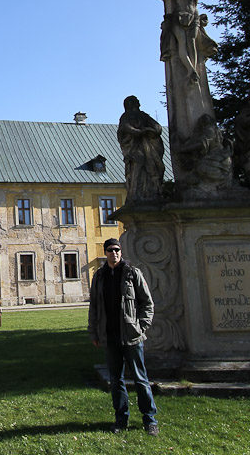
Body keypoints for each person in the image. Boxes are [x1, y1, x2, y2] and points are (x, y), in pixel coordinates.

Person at [88, 238, 159, 436]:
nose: (114, 253)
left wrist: (140, 327)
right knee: (116, 380)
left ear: (121, 252)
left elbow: (148, 304)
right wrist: (94, 332)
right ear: (106, 253)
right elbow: (94, 307)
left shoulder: (132, 273)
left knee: (140, 378)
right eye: (110, 250)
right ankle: (121, 418)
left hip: (131, 337)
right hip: (110, 337)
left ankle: (150, 419)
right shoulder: (99, 277)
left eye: (117, 250)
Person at [117, 95, 165, 202]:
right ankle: (134, 192)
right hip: (134, 148)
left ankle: (152, 191)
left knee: (153, 167)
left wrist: (152, 130)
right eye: (136, 101)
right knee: (138, 163)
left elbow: (157, 127)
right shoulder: (126, 116)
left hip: (147, 147)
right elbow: (125, 128)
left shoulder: (143, 116)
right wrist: (139, 132)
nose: (139, 103)